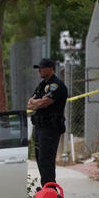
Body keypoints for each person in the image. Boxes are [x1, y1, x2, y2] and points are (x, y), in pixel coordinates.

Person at [28, 58, 68, 188]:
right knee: (40, 159)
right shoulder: (41, 85)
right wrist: (37, 103)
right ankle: (46, 187)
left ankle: (50, 189)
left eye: (42, 67)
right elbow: (30, 103)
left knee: (46, 159)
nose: (39, 70)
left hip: (50, 128)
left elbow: (45, 102)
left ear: (51, 68)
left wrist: (38, 103)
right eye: (38, 68)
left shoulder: (56, 85)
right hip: (39, 127)